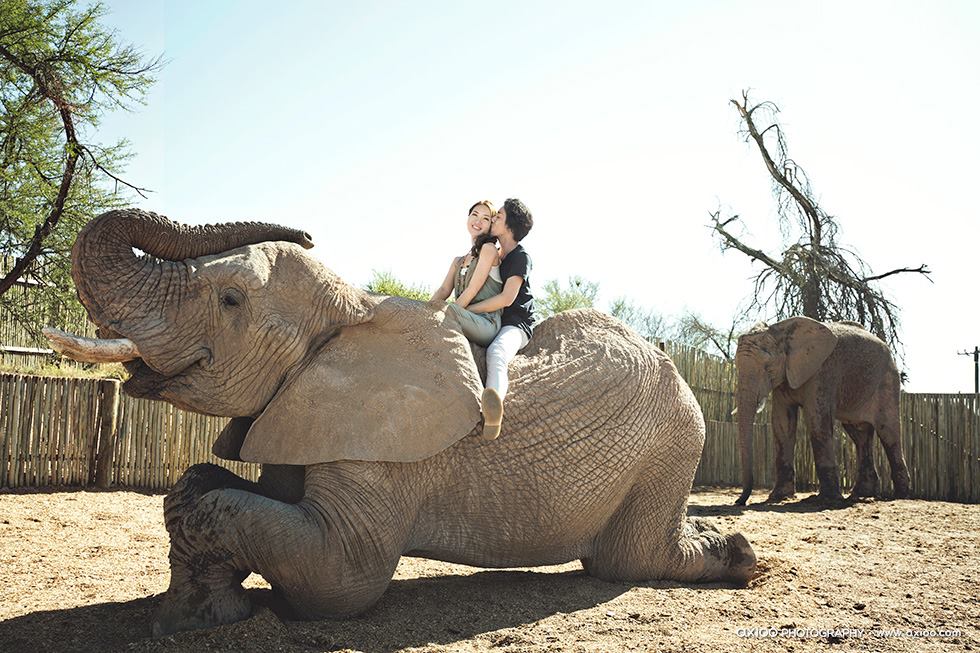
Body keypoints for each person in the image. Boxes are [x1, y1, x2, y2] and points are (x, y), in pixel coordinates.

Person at [466, 198, 534, 440]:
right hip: (492, 320)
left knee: (497, 352)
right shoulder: (494, 253)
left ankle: (494, 409)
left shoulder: (520, 257)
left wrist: (470, 310)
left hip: (515, 324)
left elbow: (507, 298)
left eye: (498, 217)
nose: (492, 219)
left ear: (509, 226)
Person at [430, 200, 503, 347]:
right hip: (461, 315)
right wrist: (424, 309)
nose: (478, 221)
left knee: (445, 311)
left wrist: (445, 313)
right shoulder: (458, 261)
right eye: (474, 215)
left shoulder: (489, 250)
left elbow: (472, 289)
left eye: (485, 218)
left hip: (485, 323)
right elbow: (444, 290)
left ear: (491, 225)